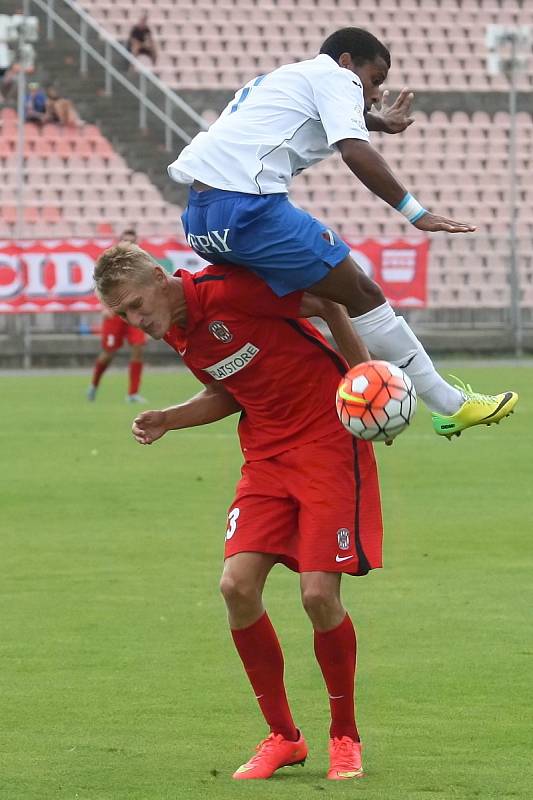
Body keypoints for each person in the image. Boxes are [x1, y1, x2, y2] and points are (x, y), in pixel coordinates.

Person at [94, 241, 384, 781]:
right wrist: (170, 419)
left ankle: (344, 735)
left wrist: (366, 382)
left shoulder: (229, 289)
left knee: (319, 594)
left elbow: (328, 302)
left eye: (136, 305)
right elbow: (229, 393)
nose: (136, 321)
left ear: (160, 278)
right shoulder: (179, 329)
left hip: (327, 444)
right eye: (123, 315)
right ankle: (284, 738)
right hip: (266, 457)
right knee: (236, 586)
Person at [167, 26, 517, 438]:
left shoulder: (282, 79)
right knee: (363, 295)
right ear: (348, 61)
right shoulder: (337, 76)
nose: (372, 92)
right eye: (375, 80)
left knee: (313, 303)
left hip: (200, 219)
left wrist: (378, 122)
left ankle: (323, 407)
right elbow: (353, 148)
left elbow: (337, 120)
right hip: (247, 207)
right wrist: (414, 210)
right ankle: (448, 406)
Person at [87, 229, 147, 403]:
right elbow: (99, 284)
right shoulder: (109, 262)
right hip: (115, 314)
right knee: (109, 352)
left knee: (138, 349)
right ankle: (94, 384)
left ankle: (132, 394)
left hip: (135, 312)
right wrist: (105, 306)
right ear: (120, 243)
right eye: (126, 242)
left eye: (132, 242)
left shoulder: (143, 263)